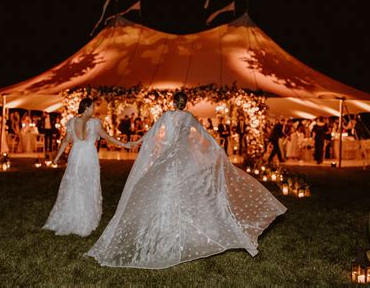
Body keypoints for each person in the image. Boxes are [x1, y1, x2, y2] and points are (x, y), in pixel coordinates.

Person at [85, 92, 287, 269]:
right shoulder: (189, 117)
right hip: (184, 158)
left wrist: (135, 142)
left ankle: (167, 231)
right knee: (192, 190)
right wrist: (217, 149)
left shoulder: (166, 116)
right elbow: (204, 135)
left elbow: (152, 133)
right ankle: (176, 231)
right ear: (186, 103)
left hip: (168, 157)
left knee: (162, 189)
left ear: (174, 103)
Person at [42, 98, 132, 237]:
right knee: (89, 184)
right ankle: (85, 217)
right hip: (89, 157)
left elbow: (66, 141)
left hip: (76, 156)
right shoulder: (95, 123)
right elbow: (107, 137)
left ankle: (71, 215)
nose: (94, 109)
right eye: (93, 107)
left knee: (74, 184)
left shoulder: (72, 122)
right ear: (87, 108)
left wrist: (56, 157)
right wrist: (124, 145)